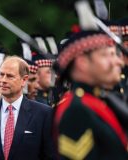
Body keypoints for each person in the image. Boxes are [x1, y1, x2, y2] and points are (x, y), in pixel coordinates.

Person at [54, 30, 128, 159]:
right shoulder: (76, 111)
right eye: (105, 55)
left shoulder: (103, 100)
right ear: (82, 62)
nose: (119, 62)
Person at [0, 56, 55, 160]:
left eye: (10, 76)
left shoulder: (44, 114)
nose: (3, 80)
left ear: (24, 80)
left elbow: (50, 155)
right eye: (1, 75)